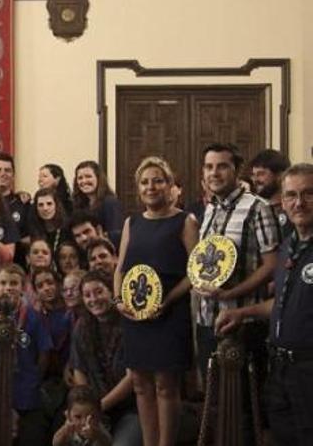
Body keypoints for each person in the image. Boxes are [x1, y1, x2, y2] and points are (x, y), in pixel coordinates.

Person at [215, 163, 313, 444]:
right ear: (282, 202)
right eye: (291, 195)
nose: (299, 203)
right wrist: (243, 312)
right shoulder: (287, 247)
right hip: (281, 370)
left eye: (308, 194)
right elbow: (283, 304)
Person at [114, 156, 197, 446]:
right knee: (140, 384)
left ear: (170, 185)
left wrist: (168, 299)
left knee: (165, 385)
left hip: (170, 315)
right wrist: (118, 300)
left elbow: (195, 272)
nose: (151, 187)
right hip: (136, 316)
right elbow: (121, 268)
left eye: (158, 180)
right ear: (138, 188)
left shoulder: (184, 221)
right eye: (145, 182)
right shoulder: (131, 222)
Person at [193, 143, 279, 417]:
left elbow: (272, 264)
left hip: (242, 323)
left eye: (222, 166)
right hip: (207, 320)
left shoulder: (257, 208)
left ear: (237, 169)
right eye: (209, 167)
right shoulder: (209, 210)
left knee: (244, 410)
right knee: (215, 408)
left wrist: (232, 294)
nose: (214, 173)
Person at [0, 263, 52, 445]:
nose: (8, 288)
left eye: (14, 283)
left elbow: (44, 353)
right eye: (3, 283)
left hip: (27, 394)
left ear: (23, 287)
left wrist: (35, 378)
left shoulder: (35, 317)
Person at [71, 270, 140, 446]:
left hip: (130, 408)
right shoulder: (81, 326)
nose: (93, 299)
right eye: (87, 295)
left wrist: (100, 406)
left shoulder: (128, 323)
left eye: (99, 291)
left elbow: (132, 377)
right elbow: (79, 371)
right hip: (93, 410)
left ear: (111, 291)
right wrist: (87, 406)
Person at [72, 161, 123, 243]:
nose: (84, 181)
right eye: (80, 178)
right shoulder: (79, 205)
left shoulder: (110, 203)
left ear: (98, 178)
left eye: (88, 176)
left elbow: (116, 234)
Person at [0, 153, 30, 245]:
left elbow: (32, 236)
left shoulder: (23, 204)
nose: (3, 174)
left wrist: (12, 246)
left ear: (13, 175)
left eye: (7, 170)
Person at [249, 149, 292, 237]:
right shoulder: (254, 210)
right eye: (253, 175)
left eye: (261, 174)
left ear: (280, 176)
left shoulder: (293, 209)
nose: (255, 180)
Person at [25, 188, 71, 253]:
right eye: (40, 205)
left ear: (56, 205)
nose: (45, 208)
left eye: (49, 204)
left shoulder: (67, 229)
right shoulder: (32, 229)